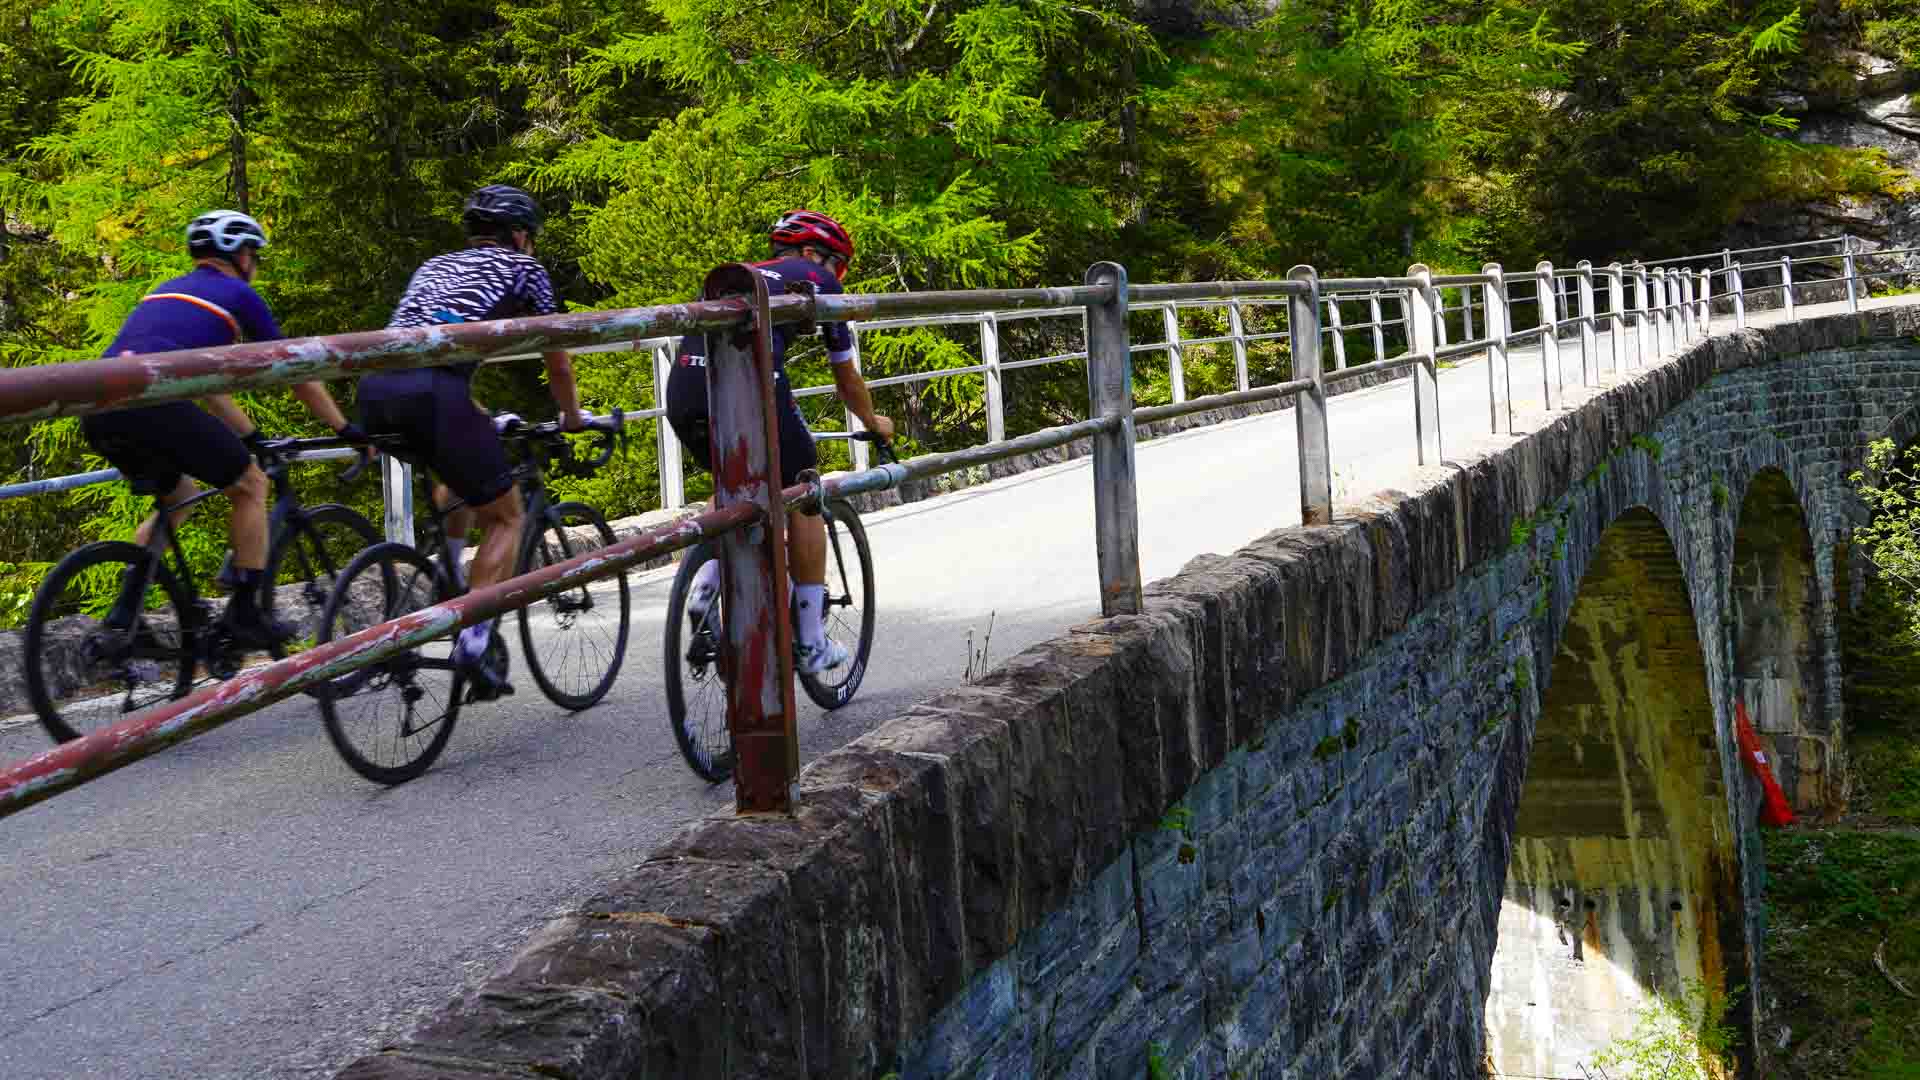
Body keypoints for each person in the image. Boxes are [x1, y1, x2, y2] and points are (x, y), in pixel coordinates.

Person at [81, 210, 366, 649]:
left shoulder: (165, 291)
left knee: (179, 496)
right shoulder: (237, 293)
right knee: (250, 484)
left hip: (97, 407)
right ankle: (244, 615)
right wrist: (345, 428)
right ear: (240, 254)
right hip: (152, 403)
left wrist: (250, 436)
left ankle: (125, 616)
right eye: (254, 254)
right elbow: (294, 367)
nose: (255, 263)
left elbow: (208, 387)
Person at [356, 184, 585, 699]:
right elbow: (556, 357)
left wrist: (478, 415)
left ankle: (449, 571)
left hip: (375, 390)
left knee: (456, 474)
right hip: (434, 394)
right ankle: (474, 639)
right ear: (520, 234)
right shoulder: (525, 268)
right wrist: (571, 416)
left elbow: (436, 346)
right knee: (506, 516)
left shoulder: (435, 265)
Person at [665, 208, 895, 674]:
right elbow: (845, 376)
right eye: (838, 265)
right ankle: (810, 642)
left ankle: (704, 588)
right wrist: (874, 421)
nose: (837, 276)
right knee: (805, 488)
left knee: (730, 482)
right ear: (812, 253)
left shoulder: (739, 277)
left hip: (685, 391)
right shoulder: (817, 279)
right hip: (748, 388)